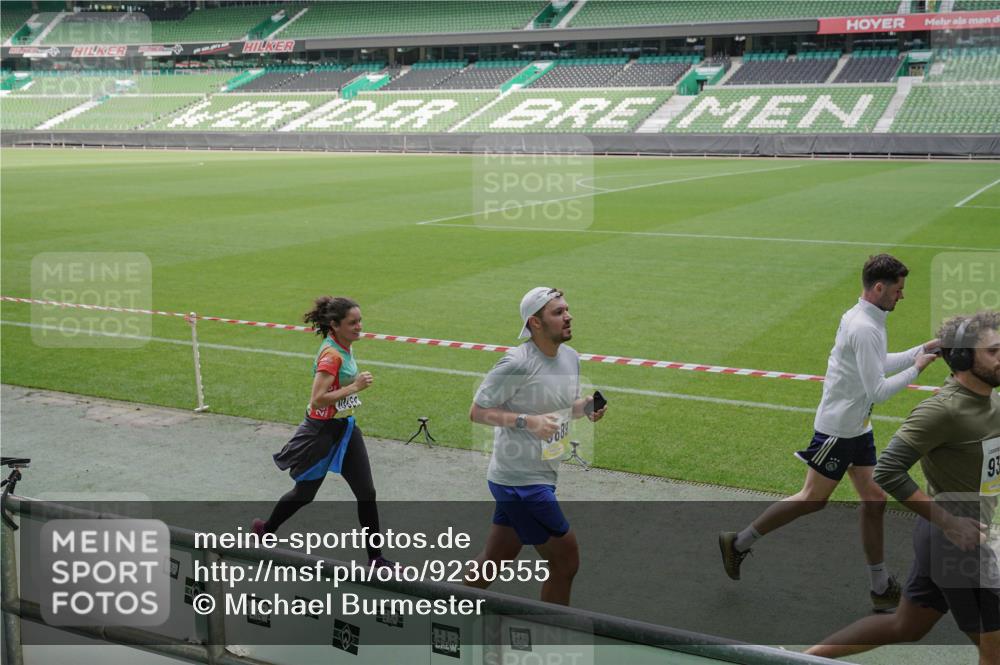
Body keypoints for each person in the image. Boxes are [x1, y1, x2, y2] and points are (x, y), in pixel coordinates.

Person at [719, 254, 940, 611]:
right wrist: (916, 368)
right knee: (812, 498)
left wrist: (923, 349)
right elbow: (878, 391)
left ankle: (880, 586)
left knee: (875, 500)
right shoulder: (864, 327)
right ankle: (738, 543)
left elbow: (876, 363)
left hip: (857, 427)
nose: (902, 296)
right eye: (898, 290)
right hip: (839, 432)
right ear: (879, 288)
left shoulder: (866, 319)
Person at [806, 311, 1000, 664]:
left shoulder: (989, 403)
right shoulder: (942, 411)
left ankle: (803, 661)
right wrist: (950, 523)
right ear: (961, 356)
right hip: (956, 543)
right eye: (994, 351)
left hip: (948, 538)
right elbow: (889, 471)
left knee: (905, 626)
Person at [465, 287, 606, 606]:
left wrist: (584, 407)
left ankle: (444, 610)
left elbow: (560, 408)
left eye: (567, 309)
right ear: (535, 323)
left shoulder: (570, 357)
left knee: (494, 558)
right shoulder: (516, 363)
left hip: (541, 475)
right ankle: (551, 640)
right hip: (521, 483)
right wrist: (529, 422)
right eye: (558, 312)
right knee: (566, 562)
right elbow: (477, 412)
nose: (568, 316)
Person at [251, 296, 391, 567]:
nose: (359, 326)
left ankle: (376, 559)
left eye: (360, 320)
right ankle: (265, 530)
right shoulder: (332, 355)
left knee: (367, 493)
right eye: (353, 322)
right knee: (304, 494)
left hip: (346, 429)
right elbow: (317, 399)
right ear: (334, 325)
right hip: (321, 432)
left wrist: (350, 394)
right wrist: (355, 387)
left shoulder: (344, 346)